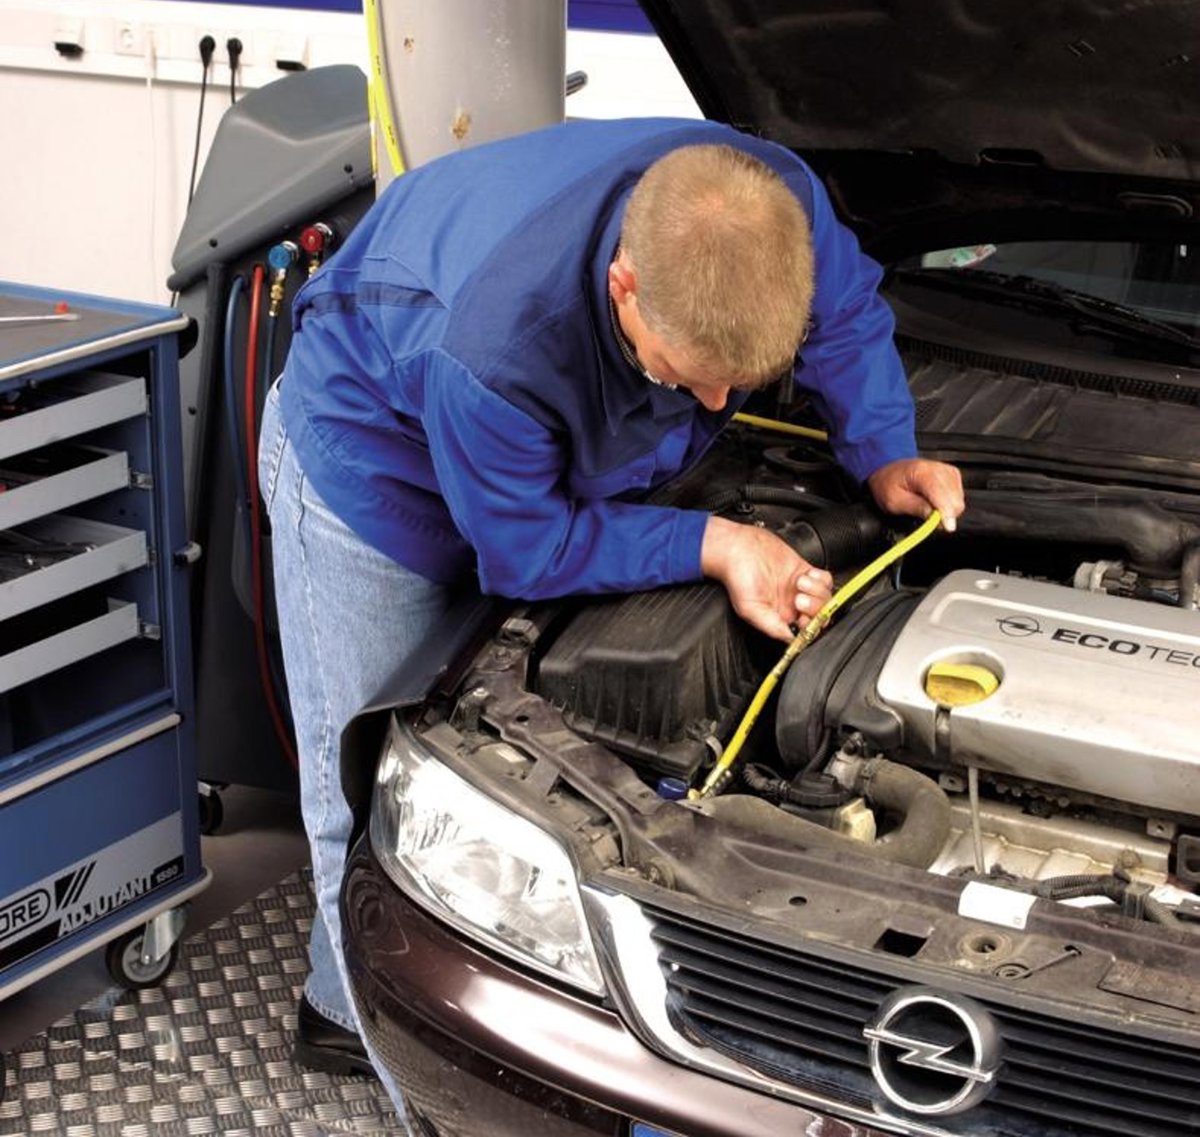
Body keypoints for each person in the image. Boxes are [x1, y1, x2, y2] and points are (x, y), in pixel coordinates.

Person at [257, 116, 964, 1109]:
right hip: (375, 483)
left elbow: (844, 315)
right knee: (367, 797)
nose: (715, 401)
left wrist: (884, 451)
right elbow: (530, 549)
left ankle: (337, 1004)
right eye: (685, 372)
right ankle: (415, 1093)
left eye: (741, 382)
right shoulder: (494, 347)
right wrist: (715, 542)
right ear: (626, 284)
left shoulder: (776, 207)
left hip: (528, 455)